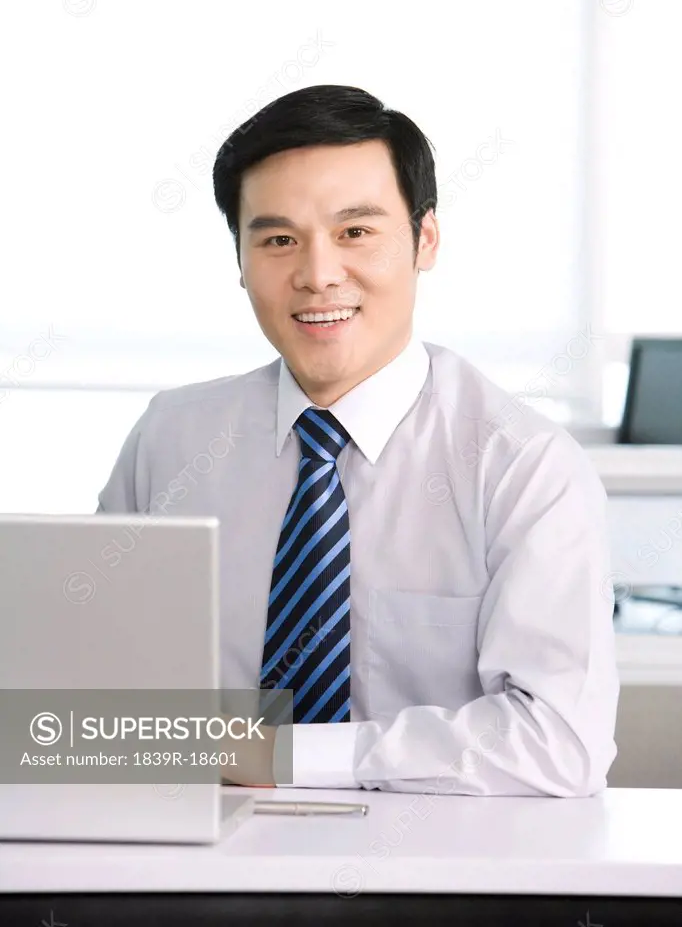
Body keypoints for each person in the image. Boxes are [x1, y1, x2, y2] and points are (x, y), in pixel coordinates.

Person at [96, 84, 620, 796]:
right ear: (241, 260)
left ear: (423, 239)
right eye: (279, 239)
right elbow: (91, 683)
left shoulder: (522, 466)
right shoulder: (173, 439)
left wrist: (279, 758)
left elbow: (559, 742)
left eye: (355, 232)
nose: (317, 275)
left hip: (446, 881)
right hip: (198, 860)